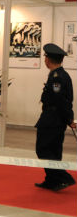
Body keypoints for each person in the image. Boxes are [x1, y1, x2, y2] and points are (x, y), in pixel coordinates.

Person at [35, 43, 75, 191]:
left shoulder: (57, 77)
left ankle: (63, 177)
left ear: (48, 59)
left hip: (52, 119)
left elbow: (61, 101)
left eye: (45, 57)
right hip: (56, 119)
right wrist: (69, 118)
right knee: (54, 151)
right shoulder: (61, 75)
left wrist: (69, 119)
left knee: (43, 149)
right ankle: (52, 180)